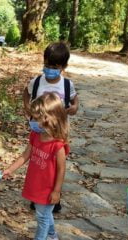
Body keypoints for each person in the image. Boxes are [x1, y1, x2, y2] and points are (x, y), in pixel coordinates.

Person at [3, 92, 69, 240]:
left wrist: (56, 191)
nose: (32, 121)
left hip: (48, 188)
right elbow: (25, 155)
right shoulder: (35, 135)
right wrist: (10, 169)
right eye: (32, 117)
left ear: (50, 119)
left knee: (42, 217)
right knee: (44, 214)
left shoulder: (57, 145)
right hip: (35, 183)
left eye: (36, 118)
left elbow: (61, 169)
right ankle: (52, 236)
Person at [22, 41, 79, 213]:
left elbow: (75, 101)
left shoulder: (67, 85)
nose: (49, 69)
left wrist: (74, 108)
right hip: (39, 129)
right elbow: (26, 92)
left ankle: (55, 194)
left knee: (56, 165)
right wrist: (27, 108)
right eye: (47, 65)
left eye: (54, 66)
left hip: (58, 133)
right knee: (39, 162)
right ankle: (37, 196)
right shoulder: (37, 82)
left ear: (64, 66)